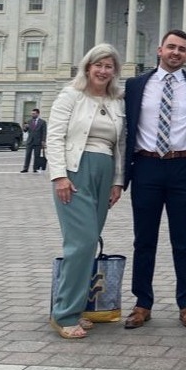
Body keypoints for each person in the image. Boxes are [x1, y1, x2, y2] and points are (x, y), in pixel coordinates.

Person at [123, 29, 186, 329]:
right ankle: (141, 303)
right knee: (143, 240)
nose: (176, 53)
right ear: (159, 50)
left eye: (182, 49)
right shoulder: (137, 85)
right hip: (147, 165)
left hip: (183, 166)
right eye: (171, 47)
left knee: (184, 240)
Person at [47, 44, 125, 339]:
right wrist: (59, 176)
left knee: (88, 244)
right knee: (81, 242)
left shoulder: (116, 100)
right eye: (99, 65)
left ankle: (75, 307)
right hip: (75, 171)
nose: (103, 71)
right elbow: (54, 137)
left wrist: (117, 181)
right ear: (88, 67)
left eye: (109, 66)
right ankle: (64, 313)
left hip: (104, 172)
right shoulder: (71, 95)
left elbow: (120, 145)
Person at [21, 107, 47, 173]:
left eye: (34, 114)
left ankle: (35, 168)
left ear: (38, 114)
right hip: (30, 141)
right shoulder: (29, 121)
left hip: (38, 141)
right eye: (32, 114)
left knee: (37, 156)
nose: (32, 115)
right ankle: (25, 168)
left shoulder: (42, 122)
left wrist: (43, 141)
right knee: (27, 155)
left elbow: (44, 132)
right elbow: (25, 130)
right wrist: (25, 127)